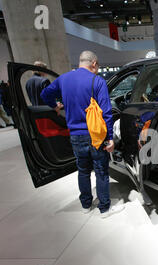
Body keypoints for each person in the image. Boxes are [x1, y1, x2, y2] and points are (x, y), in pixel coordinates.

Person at [40, 51, 124, 217]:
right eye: (97, 66)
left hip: (75, 135)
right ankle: (104, 208)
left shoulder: (63, 79)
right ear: (94, 63)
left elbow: (45, 94)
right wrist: (109, 139)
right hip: (96, 136)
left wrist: (55, 105)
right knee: (101, 171)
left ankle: (86, 205)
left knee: (83, 170)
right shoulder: (97, 81)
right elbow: (106, 113)